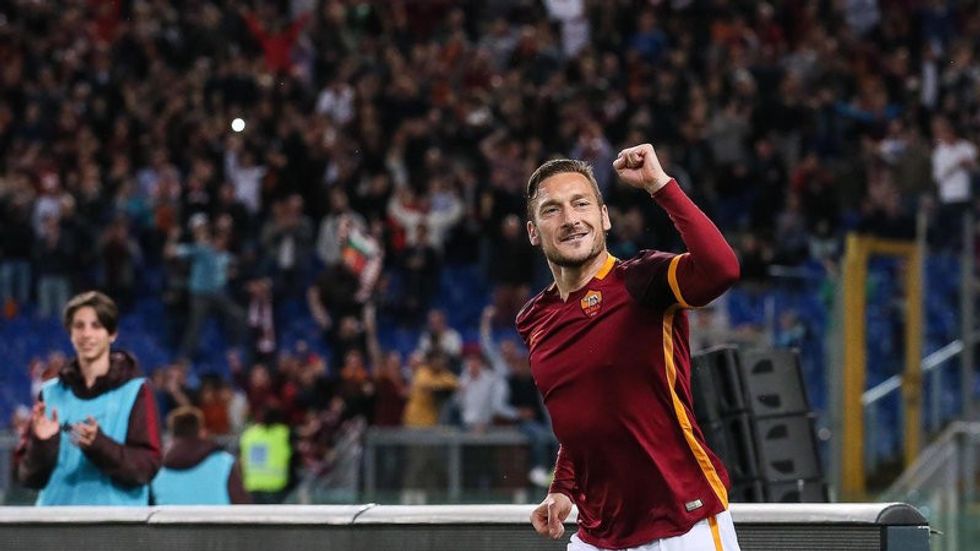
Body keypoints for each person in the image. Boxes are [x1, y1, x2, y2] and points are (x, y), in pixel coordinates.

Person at [518, 144, 742, 550]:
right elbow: (585, 418)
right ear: (534, 232)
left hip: (682, 527)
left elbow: (722, 269)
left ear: (603, 217)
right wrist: (562, 488)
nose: (571, 219)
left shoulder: (643, 280)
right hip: (597, 536)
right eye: (552, 210)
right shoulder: (534, 320)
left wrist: (660, 185)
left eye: (581, 203)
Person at [16, 291, 162, 505]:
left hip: (117, 528)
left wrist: (99, 446)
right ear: (70, 333)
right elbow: (29, 477)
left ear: (112, 334)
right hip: (55, 525)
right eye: (79, 326)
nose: (87, 334)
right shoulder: (49, 393)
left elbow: (146, 467)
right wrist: (43, 444)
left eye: (96, 325)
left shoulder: (137, 391)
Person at [150, 406, 250, 504]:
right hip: (217, 519)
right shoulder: (224, 463)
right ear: (201, 432)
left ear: (172, 436)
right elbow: (242, 504)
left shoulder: (157, 471)